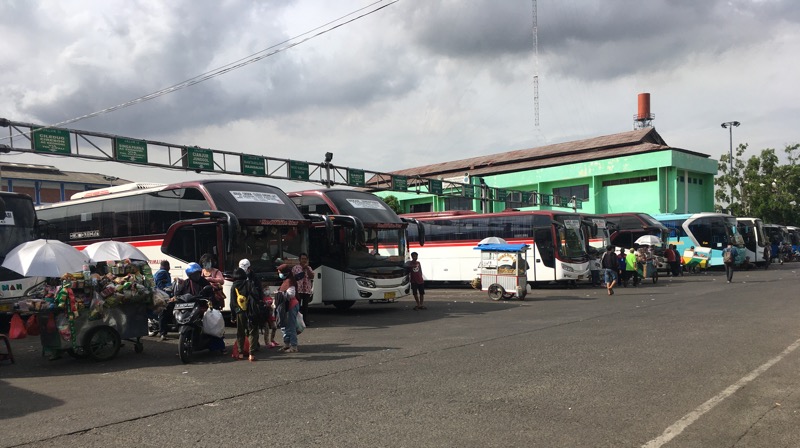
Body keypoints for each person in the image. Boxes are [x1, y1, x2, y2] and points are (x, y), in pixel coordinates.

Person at [159, 262, 211, 341]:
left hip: (199, 306)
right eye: (194, 274)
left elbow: (210, 295)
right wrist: (174, 298)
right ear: (189, 275)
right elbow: (178, 294)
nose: (196, 276)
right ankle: (163, 332)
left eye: (197, 273)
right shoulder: (185, 283)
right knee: (165, 309)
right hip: (185, 306)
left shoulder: (204, 282)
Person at [230, 267, 258, 361]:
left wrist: (233, 315)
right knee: (252, 332)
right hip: (251, 311)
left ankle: (241, 353)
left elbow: (232, 302)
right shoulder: (249, 283)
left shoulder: (234, 286)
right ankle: (251, 354)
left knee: (240, 332)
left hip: (240, 312)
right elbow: (256, 296)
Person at [277, 264, 301, 353]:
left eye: (280, 273)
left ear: (285, 273)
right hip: (285, 306)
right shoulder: (286, 281)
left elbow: (291, 294)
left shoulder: (290, 281)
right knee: (284, 326)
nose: (279, 274)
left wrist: (280, 294)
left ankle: (294, 346)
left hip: (291, 305)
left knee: (291, 326)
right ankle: (286, 344)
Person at [293, 253, 314, 326]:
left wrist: (307, 269)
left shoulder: (309, 268)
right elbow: (293, 277)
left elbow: (312, 277)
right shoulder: (296, 268)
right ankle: (297, 321)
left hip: (306, 290)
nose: (304, 260)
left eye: (305, 259)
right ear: (299, 260)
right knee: (297, 306)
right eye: (302, 259)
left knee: (305, 307)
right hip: (298, 290)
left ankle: (305, 321)